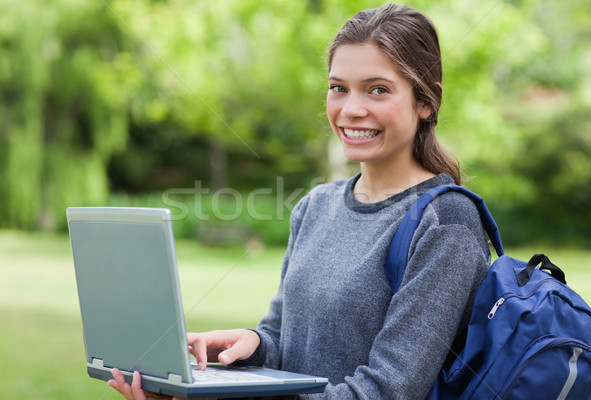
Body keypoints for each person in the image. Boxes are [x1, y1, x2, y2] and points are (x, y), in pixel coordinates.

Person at [109, 3, 491, 399]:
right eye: (338, 88)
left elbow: (385, 391)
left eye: (378, 90)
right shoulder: (315, 206)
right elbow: (283, 339)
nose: (351, 109)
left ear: (426, 101)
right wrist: (251, 345)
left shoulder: (446, 221)